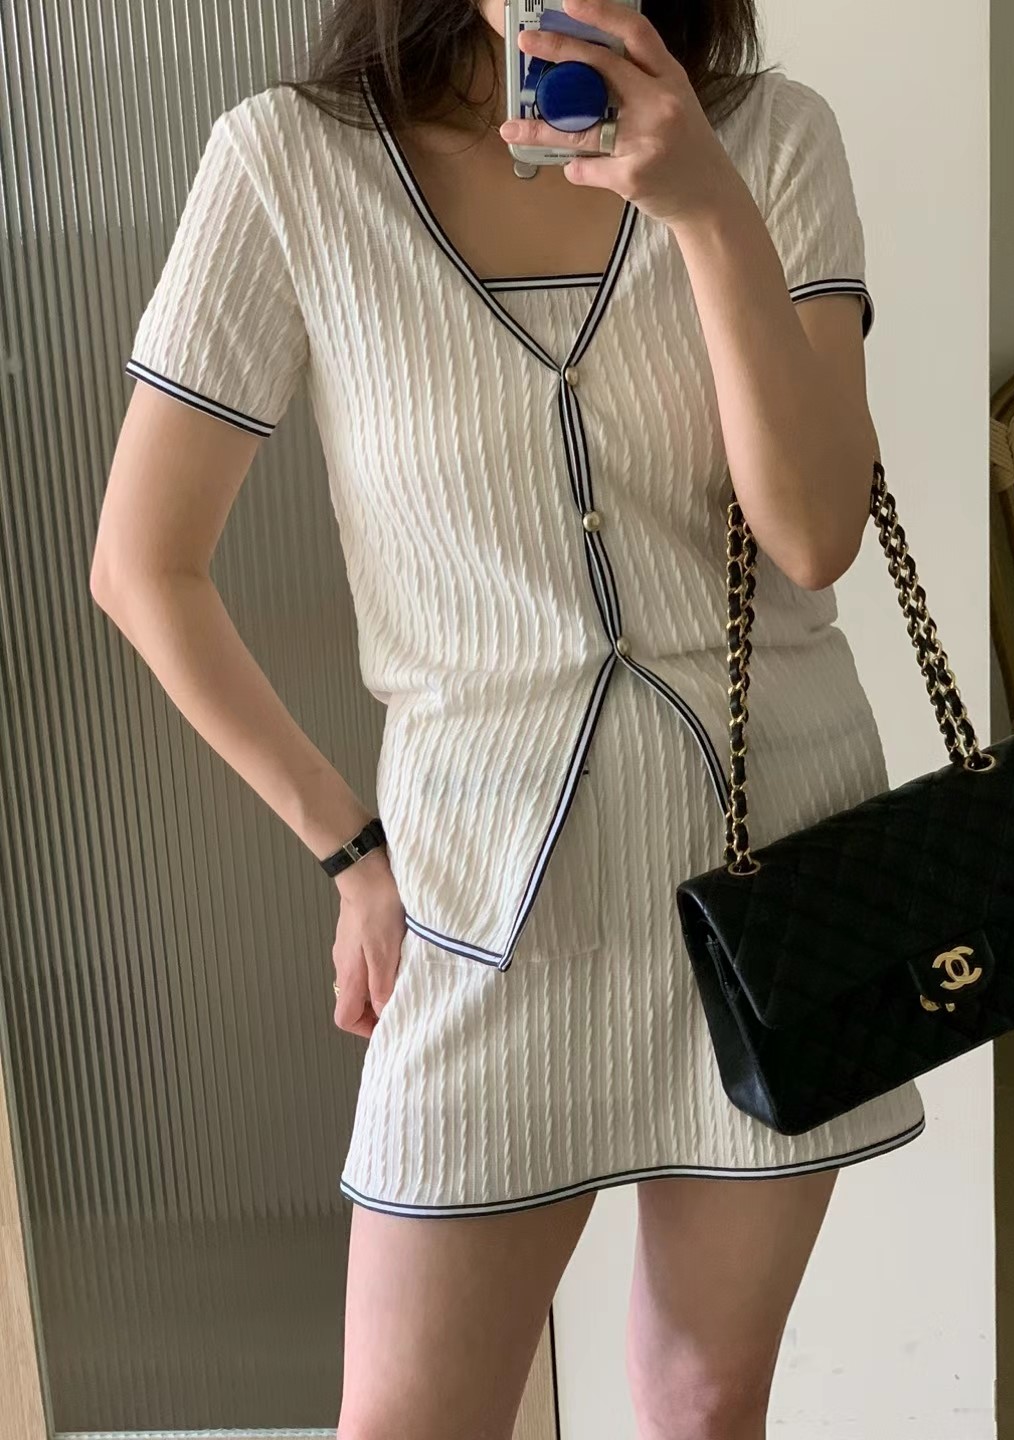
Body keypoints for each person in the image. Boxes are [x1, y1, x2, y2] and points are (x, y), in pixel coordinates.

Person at [91, 0, 927, 1435]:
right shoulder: (291, 163)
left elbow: (812, 536)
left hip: (779, 883)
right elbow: (142, 566)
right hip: (479, 906)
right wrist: (350, 852)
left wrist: (706, 205)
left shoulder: (772, 138)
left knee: (706, 1401)